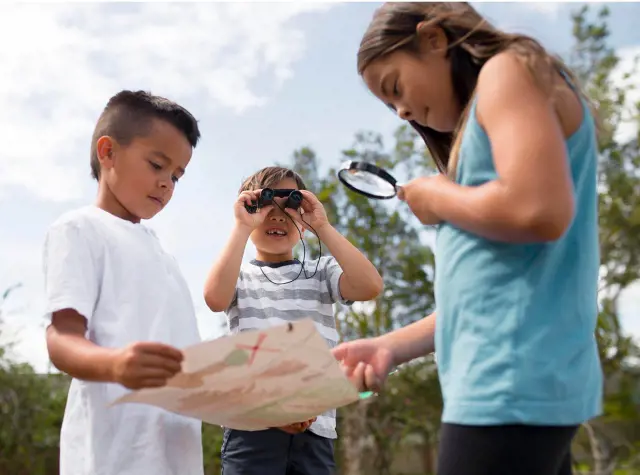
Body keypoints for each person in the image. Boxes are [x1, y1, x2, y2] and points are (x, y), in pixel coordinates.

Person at [333, 3, 602, 475]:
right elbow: (486, 294)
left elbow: (538, 209)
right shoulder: (494, 107)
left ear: (434, 40)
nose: (400, 111)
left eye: (394, 86)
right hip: (520, 381)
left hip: (507, 380)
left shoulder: (507, 69)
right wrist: (390, 347)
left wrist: (439, 197)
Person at [43, 90, 204, 475]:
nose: (166, 184)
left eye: (177, 176)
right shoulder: (80, 229)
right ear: (108, 152)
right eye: (156, 164)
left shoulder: (165, 258)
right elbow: (61, 339)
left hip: (177, 456)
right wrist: (115, 364)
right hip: (112, 457)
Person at [203, 166, 384, 475]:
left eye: (289, 207)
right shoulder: (240, 276)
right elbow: (214, 298)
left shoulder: (321, 272)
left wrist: (321, 225)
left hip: (314, 431)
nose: (277, 216)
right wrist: (241, 227)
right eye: (265, 207)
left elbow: (370, 286)